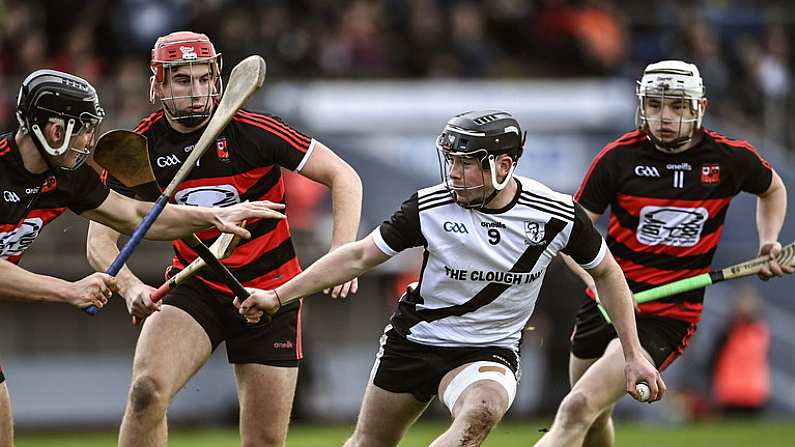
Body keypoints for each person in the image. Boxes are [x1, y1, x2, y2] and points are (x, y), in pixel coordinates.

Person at [235, 110, 664, 447]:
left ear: (503, 165)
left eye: (466, 164)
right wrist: (277, 295)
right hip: (415, 340)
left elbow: (607, 273)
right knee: (369, 441)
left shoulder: (556, 214)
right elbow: (361, 255)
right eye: (451, 161)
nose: (454, 173)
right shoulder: (430, 206)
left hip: (488, 349)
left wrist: (633, 352)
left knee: (479, 416)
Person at [85, 31, 362, 447]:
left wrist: (340, 252)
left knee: (263, 442)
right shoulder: (138, 148)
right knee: (146, 392)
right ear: (158, 84)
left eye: (203, 78)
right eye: (182, 81)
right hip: (194, 287)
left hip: (272, 292)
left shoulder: (253, 131)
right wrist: (129, 287)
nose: (197, 92)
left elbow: (344, 176)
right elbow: (100, 241)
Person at [0, 69, 284, 447]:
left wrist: (211, 216)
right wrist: (68, 290)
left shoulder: (66, 178)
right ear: (56, 130)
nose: (90, 140)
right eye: (84, 127)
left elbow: (137, 216)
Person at [535, 60, 792, 447]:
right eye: (654, 105)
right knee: (592, 413)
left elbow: (772, 189)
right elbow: (572, 233)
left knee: (576, 409)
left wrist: (768, 240)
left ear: (699, 108)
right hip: (603, 306)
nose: (664, 116)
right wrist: (596, 281)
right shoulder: (617, 158)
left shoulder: (728, 158)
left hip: (667, 314)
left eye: (676, 106)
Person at [709, 284, 770, 417]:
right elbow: (712, 360)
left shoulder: (761, 331)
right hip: (730, 392)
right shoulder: (727, 332)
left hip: (754, 392)